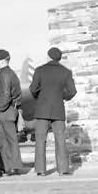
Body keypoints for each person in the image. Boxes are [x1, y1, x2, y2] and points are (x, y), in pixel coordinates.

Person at [29, 47, 77, 176]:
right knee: (60, 139)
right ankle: (63, 169)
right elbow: (72, 91)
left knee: (40, 140)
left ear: (48, 57)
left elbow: (33, 89)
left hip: (42, 109)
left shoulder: (39, 70)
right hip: (58, 109)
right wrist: (62, 96)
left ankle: (41, 170)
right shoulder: (66, 72)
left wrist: (39, 97)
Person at [0, 49, 23, 176]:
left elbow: (5, 95)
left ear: (1, 61)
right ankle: (5, 167)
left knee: (10, 140)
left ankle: (13, 167)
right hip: (9, 110)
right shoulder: (10, 73)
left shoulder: (5, 74)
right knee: (5, 141)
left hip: (6, 111)